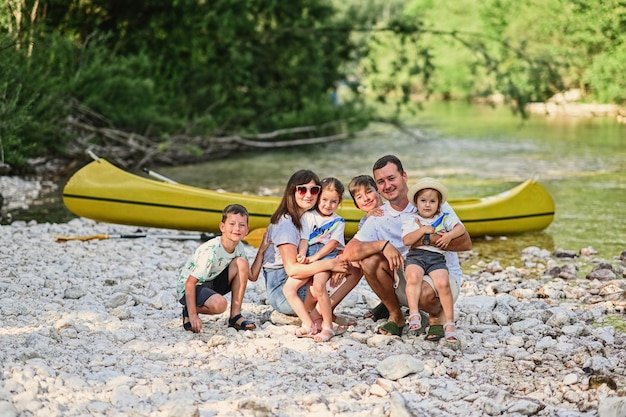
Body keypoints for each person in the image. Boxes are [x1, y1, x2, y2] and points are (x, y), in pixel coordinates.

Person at [343, 155, 472, 341]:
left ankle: (436, 316)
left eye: (391, 178)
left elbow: (465, 243)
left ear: (404, 176)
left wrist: (424, 240)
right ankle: (396, 315)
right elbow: (349, 252)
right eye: (381, 182)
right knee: (369, 260)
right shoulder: (379, 216)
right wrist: (383, 245)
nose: (387, 185)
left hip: (439, 276)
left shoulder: (429, 202)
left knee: (426, 294)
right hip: (407, 278)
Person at [257, 169, 361, 341]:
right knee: (347, 272)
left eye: (314, 190)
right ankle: (318, 317)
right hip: (282, 293)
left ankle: (319, 318)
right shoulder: (287, 222)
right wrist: (330, 265)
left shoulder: (306, 217)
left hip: (295, 279)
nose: (308, 194)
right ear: (292, 191)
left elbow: (332, 242)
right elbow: (292, 269)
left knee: (349, 268)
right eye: (302, 189)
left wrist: (338, 258)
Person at [402, 177, 466, 341]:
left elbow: (461, 229)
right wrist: (423, 230)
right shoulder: (410, 218)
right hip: (416, 256)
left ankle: (450, 324)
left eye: (432, 201)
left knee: (443, 284)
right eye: (423, 200)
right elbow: (407, 241)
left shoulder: (445, 217)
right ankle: (414, 313)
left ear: (439, 203)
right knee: (413, 276)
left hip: (436, 257)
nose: (427, 205)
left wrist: (449, 235)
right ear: (416, 202)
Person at [177, 204, 258, 333]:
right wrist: (193, 315)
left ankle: (235, 316)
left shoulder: (239, 247)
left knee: (241, 263)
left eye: (242, 225)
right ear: (222, 227)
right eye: (232, 224)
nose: (237, 228)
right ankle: (189, 310)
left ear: (247, 229)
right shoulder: (211, 250)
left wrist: (263, 249)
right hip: (191, 289)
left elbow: (252, 276)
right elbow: (189, 283)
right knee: (220, 305)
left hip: (212, 282)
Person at [286, 177, 346, 342]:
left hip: (326, 255)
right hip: (309, 253)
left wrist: (316, 258)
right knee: (288, 288)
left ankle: (327, 326)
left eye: (333, 202)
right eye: (324, 200)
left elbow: (333, 243)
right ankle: (308, 323)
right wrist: (303, 254)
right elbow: (304, 239)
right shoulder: (308, 216)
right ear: (318, 198)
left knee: (319, 286)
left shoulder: (338, 221)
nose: (328, 205)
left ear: (339, 202)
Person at [348, 174, 389, 321]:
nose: (365, 198)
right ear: (356, 205)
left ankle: (388, 303)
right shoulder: (363, 222)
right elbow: (360, 245)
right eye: (359, 197)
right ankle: (387, 302)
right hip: (379, 262)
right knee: (361, 261)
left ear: (379, 191)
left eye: (369, 191)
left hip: (397, 258)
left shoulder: (391, 209)